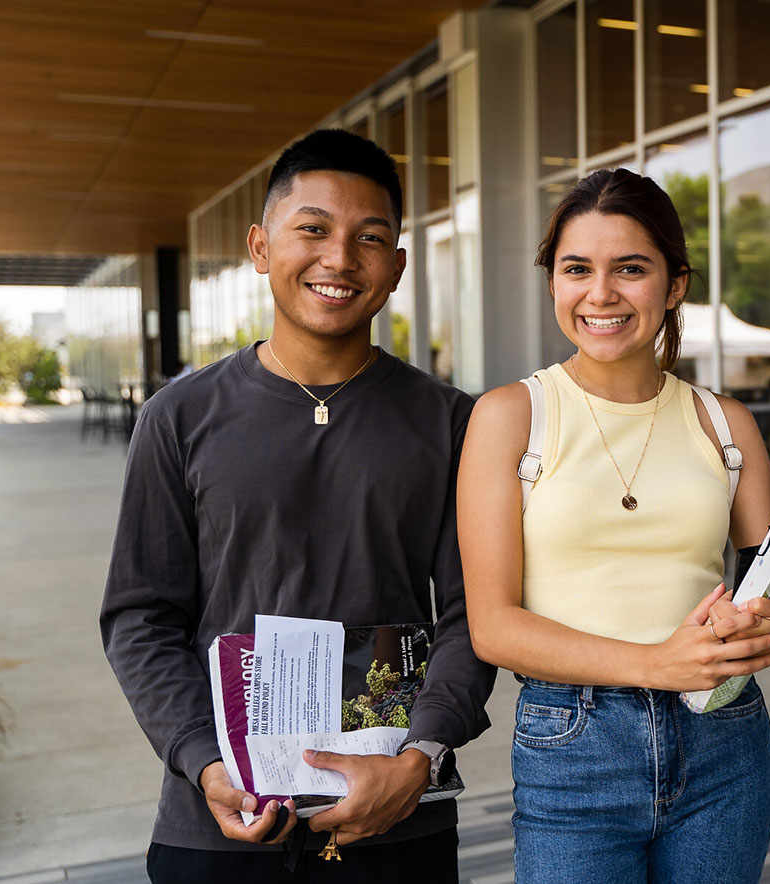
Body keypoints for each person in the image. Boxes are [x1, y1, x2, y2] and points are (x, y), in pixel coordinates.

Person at [100, 129, 495, 882]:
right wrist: (203, 761)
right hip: (220, 818)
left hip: (395, 811)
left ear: (398, 266)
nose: (339, 259)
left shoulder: (450, 422)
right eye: (311, 229)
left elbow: (474, 614)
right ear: (259, 246)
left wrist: (422, 756)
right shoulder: (177, 418)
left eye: (369, 238)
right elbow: (140, 615)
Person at [456, 168, 770, 884]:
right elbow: (493, 627)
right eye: (577, 270)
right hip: (573, 743)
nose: (601, 293)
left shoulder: (725, 424)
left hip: (724, 739)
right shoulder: (511, 418)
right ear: (553, 283)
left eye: (630, 269)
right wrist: (654, 664)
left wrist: (766, 630)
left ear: (674, 284)